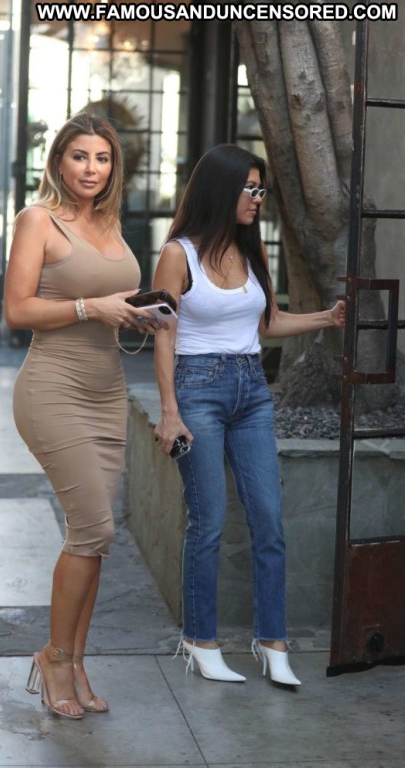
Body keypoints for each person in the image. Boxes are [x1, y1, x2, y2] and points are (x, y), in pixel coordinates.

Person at [152, 144, 345, 687]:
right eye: (250, 189)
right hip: (197, 390)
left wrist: (327, 318)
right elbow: (164, 337)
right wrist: (169, 413)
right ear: (222, 189)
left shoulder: (251, 246)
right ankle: (200, 640)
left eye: (262, 190)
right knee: (208, 522)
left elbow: (268, 324)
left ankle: (272, 641)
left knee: (269, 519)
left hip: (252, 390)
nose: (259, 199)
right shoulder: (178, 255)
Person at [4, 112, 160, 719]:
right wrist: (90, 307)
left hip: (106, 392)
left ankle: (75, 659)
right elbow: (18, 310)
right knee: (93, 528)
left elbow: (111, 302)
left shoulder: (112, 223)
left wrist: (138, 314)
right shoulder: (38, 220)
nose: (91, 169)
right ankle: (54, 658)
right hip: (52, 389)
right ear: (58, 161)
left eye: (102, 158)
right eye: (79, 156)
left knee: (95, 537)